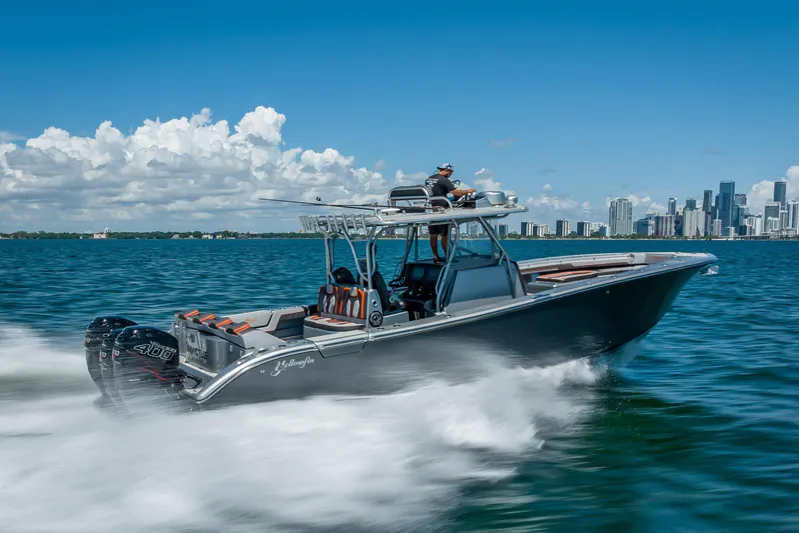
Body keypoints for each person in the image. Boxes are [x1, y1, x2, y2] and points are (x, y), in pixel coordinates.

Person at [425, 163, 476, 262]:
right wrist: (469, 191)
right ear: (447, 170)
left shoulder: (429, 179)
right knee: (444, 234)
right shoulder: (444, 180)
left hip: (431, 208)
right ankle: (448, 256)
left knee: (433, 234)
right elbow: (456, 193)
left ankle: (435, 257)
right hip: (442, 209)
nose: (450, 175)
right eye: (451, 173)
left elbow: (436, 191)